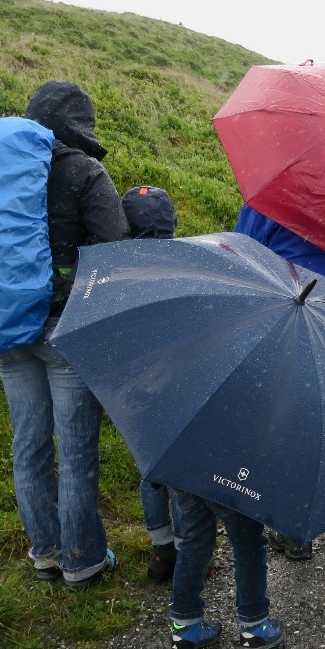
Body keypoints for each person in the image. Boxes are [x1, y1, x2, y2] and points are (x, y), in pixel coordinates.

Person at [0, 80, 130, 588]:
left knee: (28, 444)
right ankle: (83, 561)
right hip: (64, 329)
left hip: (7, 325)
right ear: (80, 124)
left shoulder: (4, 168)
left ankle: (46, 553)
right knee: (75, 452)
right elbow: (114, 249)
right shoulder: (84, 171)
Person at [235, 203, 325, 557]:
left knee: (296, 422)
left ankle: (296, 530)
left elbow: (243, 247)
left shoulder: (274, 192)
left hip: (298, 311)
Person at [121, 185, 182, 581]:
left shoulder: (118, 271)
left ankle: (161, 549)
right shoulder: (184, 267)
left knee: (150, 469)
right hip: (177, 385)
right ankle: (189, 550)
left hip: (135, 390)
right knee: (181, 472)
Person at [167, 490, 284, 649]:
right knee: (248, 542)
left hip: (189, 478)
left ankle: (184, 628)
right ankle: (254, 627)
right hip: (233, 481)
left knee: (194, 540)